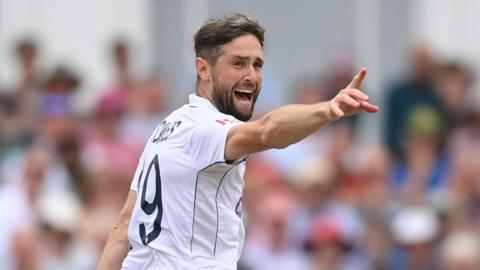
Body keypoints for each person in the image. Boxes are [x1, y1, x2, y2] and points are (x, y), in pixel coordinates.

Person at [97, 13, 379, 270]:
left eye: (257, 65)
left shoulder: (167, 127)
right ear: (203, 69)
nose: (252, 76)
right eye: (238, 63)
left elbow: (124, 225)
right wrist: (327, 109)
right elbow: (267, 131)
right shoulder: (207, 127)